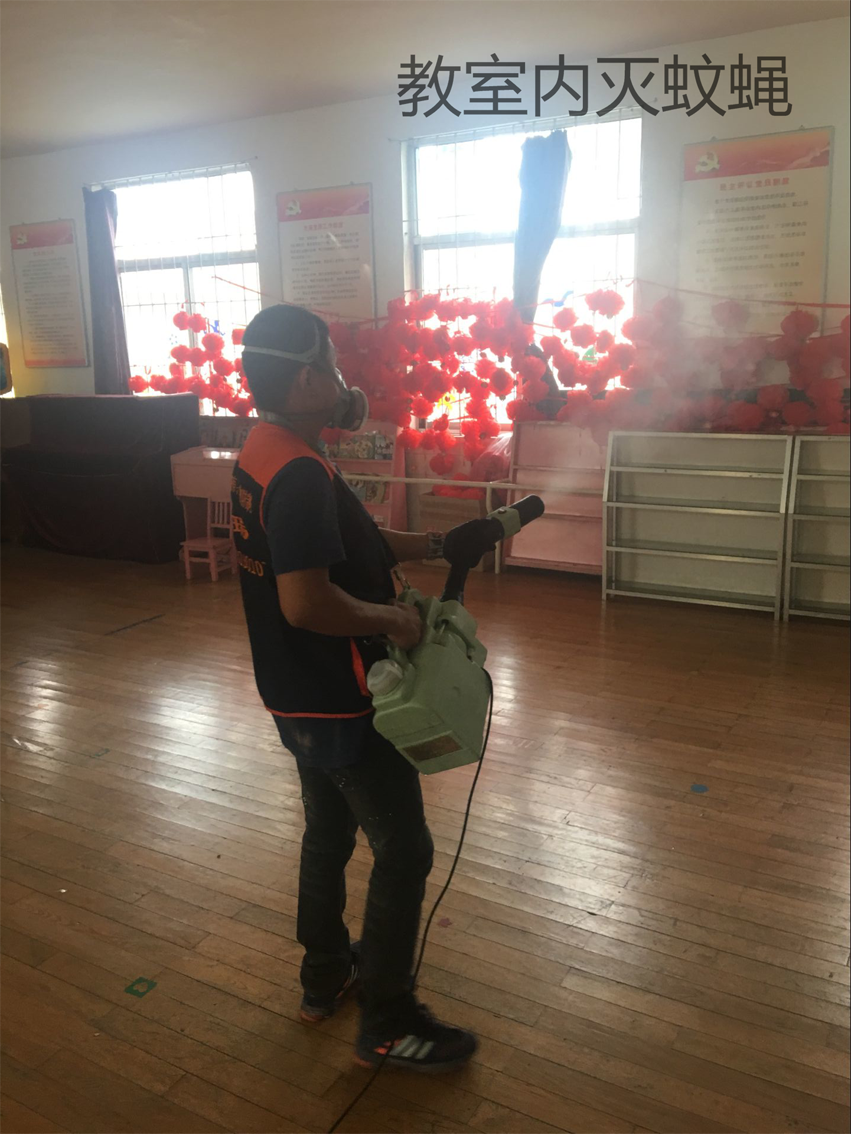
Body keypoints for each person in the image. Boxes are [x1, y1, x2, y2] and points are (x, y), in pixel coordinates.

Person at [232, 303, 478, 1072]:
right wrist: (392, 621)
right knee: (404, 849)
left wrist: (436, 543)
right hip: (339, 699)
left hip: (294, 693)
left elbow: (351, 542)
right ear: (307, 380)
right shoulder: (300, 473)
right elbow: (306, 601)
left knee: (329, 834)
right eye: (332, 367)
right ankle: (387, 1021)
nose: (344, 381)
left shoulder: (268, 450)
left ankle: (325, 975)